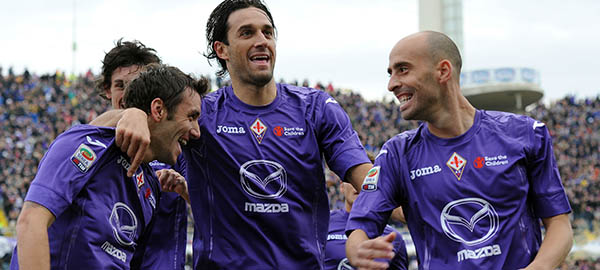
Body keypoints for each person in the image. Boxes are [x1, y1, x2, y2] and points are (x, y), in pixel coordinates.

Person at [92, 0, 373, 268]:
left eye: (268, 32)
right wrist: (133, 113)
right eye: (247, 33)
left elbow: (370, 182)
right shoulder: (202, 115)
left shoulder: (316, 109)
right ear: (222, 50)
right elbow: (100, 131)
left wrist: (376, 223)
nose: (261, 40)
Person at [345, 31, 573, 270]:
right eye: (390, 73)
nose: (392, 85)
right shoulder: (397, 154)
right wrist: (359, 249)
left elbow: (559, 223)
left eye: (403, 69)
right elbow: (360, 229)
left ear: (443, 71)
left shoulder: (525, 134)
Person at [11, 64, 206, 269]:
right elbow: (31, 221)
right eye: (191, 117)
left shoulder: (150, 185)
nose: (196, 131)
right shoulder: (90, 144)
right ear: (158, 110)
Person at [95, 39, 190, 270]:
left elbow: (210, 203)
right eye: (120, 85)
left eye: (136, 84)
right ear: (107, 90)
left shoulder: (175, 144)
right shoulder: (93, 142)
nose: (128, 94)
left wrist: (184, 189)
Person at [325, 154, 407, 270]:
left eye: (368, 179)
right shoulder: (322, 224)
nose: (359, 185)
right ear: (342, 187)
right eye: (351, 180)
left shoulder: (393, 238)